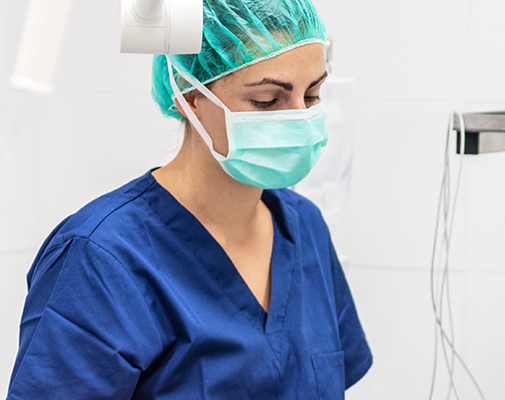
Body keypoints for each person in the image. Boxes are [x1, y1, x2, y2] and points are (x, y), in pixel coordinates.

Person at [8, 0, 372, 398]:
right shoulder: (101, 259)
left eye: (314, 94)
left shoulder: (304, 227)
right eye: (268, 101)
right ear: (190, 95)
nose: (299, 117)